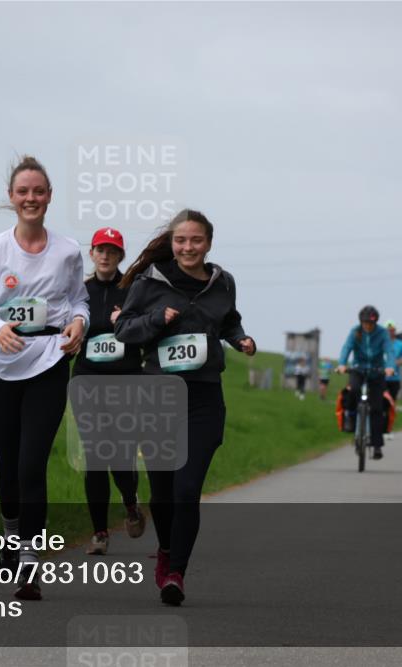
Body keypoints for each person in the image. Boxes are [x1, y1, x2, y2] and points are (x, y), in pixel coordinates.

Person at [0, 155, 89, 600]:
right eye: (23, 192)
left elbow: (79, 302)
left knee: (31, 464)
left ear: (49, 197)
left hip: (49, 363)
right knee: (8, 466)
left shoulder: (68, 251)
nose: (31, 198)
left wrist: (78, 326)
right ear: (11, 199)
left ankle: (29, 563)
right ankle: (10, 537)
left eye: (39, 191)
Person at [115, 209, 256, 606]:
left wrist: (240, 339)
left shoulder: (222, 282)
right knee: (162, 495)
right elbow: (125, 329)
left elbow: (229, 321)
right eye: (181, 240)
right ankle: (165, 551)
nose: (188, 247)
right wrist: (157, 319)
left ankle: (175, 571)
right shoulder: (149, 282)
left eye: (196, 241)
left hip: (204, 397)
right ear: (172, 243)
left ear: (208, 243)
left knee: (187, 488)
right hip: (158, 396)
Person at [71, 226, 146, 556]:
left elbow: (148, 331)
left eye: (112, 251)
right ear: (92, 254)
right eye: (100, 250)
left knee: (120, 455)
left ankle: (131, 504)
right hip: (87, 381)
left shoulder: (133, 291)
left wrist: (125, 323)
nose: (105, 255)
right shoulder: (80, 291)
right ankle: (99, 532)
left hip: (125, 381)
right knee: (95, 457)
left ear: (120, 257)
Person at [336, 306, 395, 460]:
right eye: (365, 323)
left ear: (375, 322)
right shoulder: (355, 331)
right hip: (358, 369)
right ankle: (350, 416)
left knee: (376, 407)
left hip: (377, 372)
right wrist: (342, 364)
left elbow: (389, 351)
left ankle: (377, 446)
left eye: (370, 323)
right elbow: (347, 347)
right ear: (361, 322)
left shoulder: (382, 333)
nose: (368, 326)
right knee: (353, 390)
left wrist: (390, 367)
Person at [383, 320, 402, 440]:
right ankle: (378, 429)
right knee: (379, 404)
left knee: (391, 405)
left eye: (392, 330)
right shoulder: (380, 343)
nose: (390, 332)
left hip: (394, 379)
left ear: (395, 331)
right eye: (388, 330)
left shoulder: (400, 344)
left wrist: (401, 362)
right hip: (380, 378)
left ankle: (388, 429)